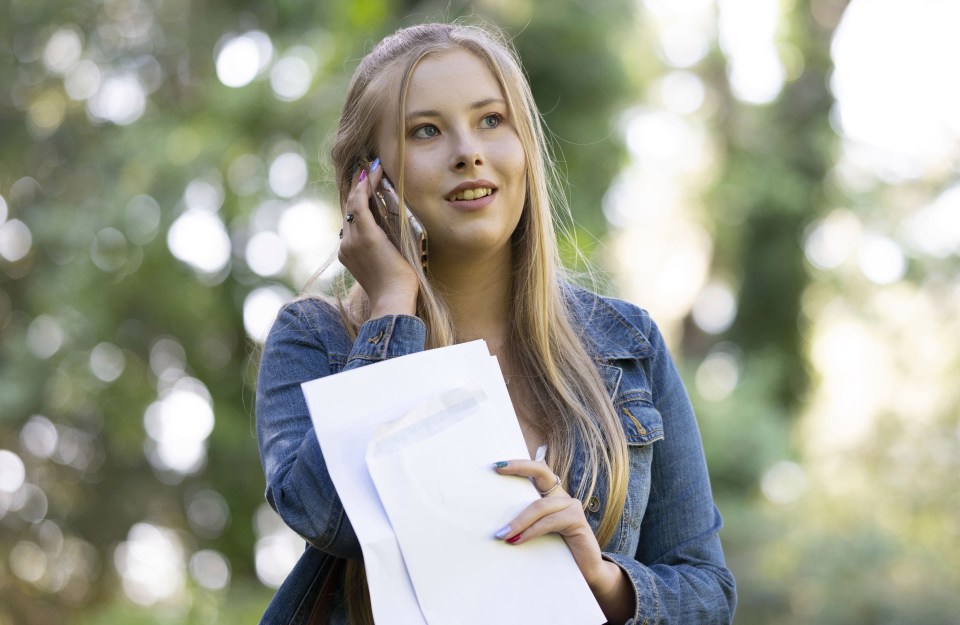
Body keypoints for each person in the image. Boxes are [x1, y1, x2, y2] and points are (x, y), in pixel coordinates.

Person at [255, 21, 736, 625]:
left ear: (524, 144)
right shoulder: (316, 340)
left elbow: (708, 592)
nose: (468, 152)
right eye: (425, 131)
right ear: (369, 179)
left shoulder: (627, 343)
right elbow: (327, 516)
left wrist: (601, 578)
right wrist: (392, 307)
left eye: (491, 120)